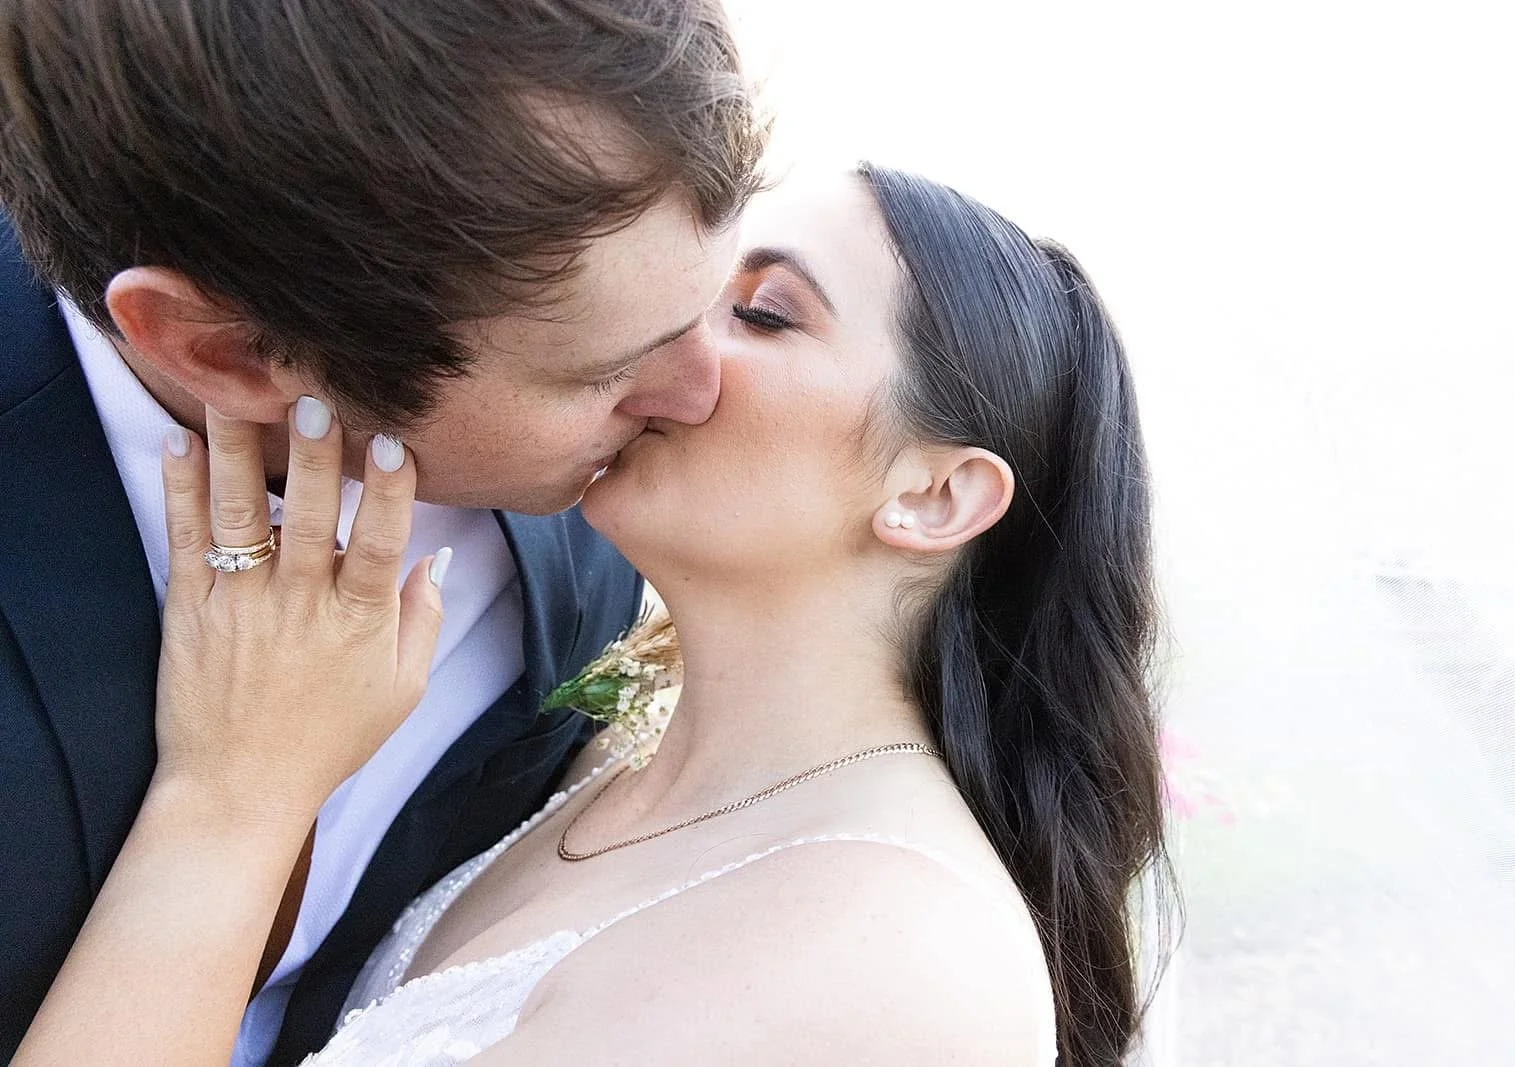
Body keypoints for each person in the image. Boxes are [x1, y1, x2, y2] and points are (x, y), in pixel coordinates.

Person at [15, 165, 1173, 1066]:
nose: (666, 340)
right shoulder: (597, 766)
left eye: (763, 314)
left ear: (933, 494)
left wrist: (229, 795)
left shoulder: (896, 949)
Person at [0, 1, 763, 1061]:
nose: (701, 397)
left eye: (722, 305)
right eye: (601, 373)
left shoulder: (592, 535)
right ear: (219, 350)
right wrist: (232, 801)